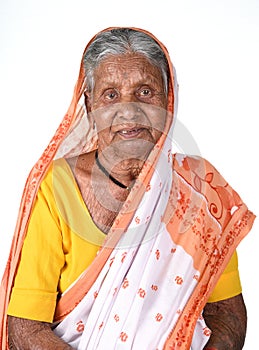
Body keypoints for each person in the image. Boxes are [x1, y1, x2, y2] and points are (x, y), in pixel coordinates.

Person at [0, 27, 255, 350]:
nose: (129, 110)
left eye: (145, 92)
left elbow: (227, 313)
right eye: (110, 94)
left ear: (168, 98)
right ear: (90, 106)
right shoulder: (58, 187)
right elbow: (26, 325)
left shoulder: (200, 188)